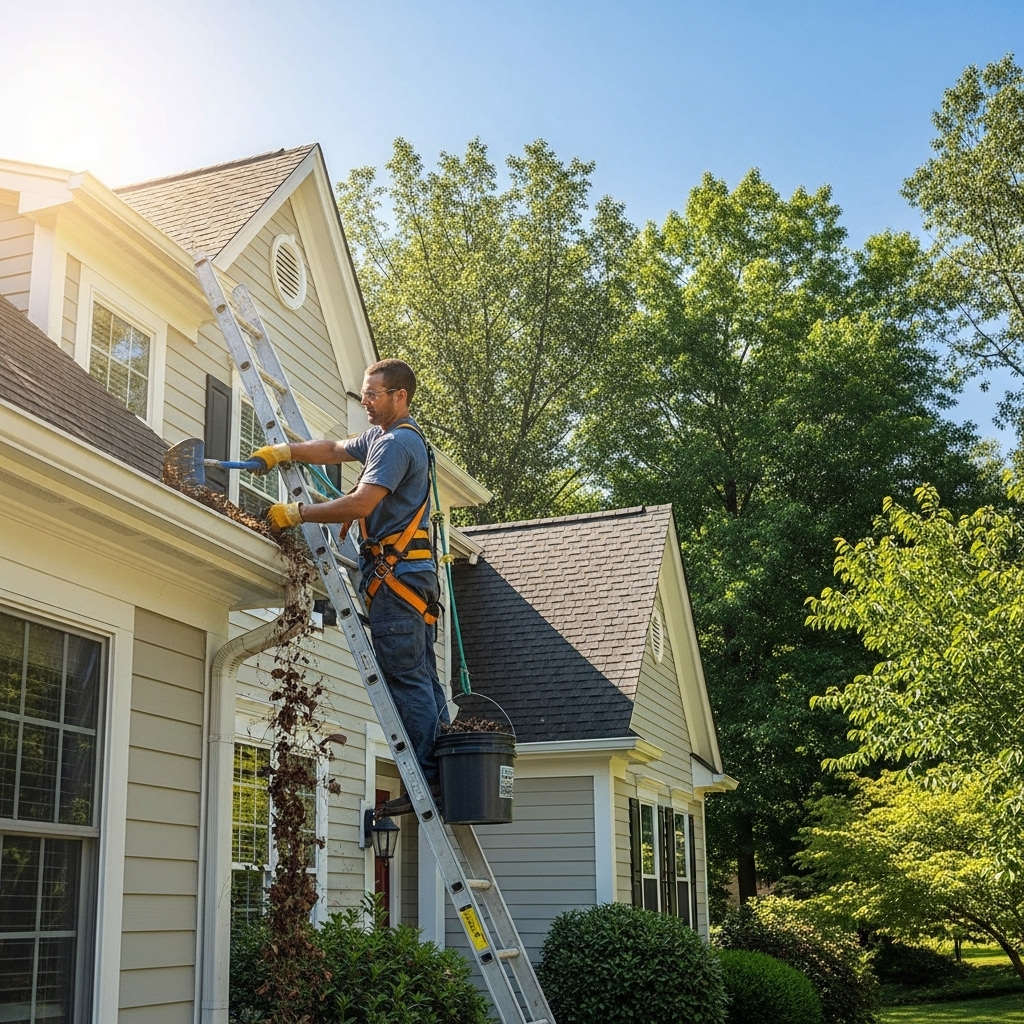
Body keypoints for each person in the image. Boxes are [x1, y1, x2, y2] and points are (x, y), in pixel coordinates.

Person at [254, 358, 446, 816]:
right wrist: (285, 452)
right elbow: (335, 449)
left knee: (406, 682)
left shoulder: (398, 443)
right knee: (423, 683)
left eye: (374, 395)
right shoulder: (383, 438)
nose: (365, 402)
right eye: (363, 394)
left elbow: (361, 500)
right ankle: (442, 776)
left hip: (396, 582)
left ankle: (431, 783)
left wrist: (299, 514)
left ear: (400, 396)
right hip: (410, 581)